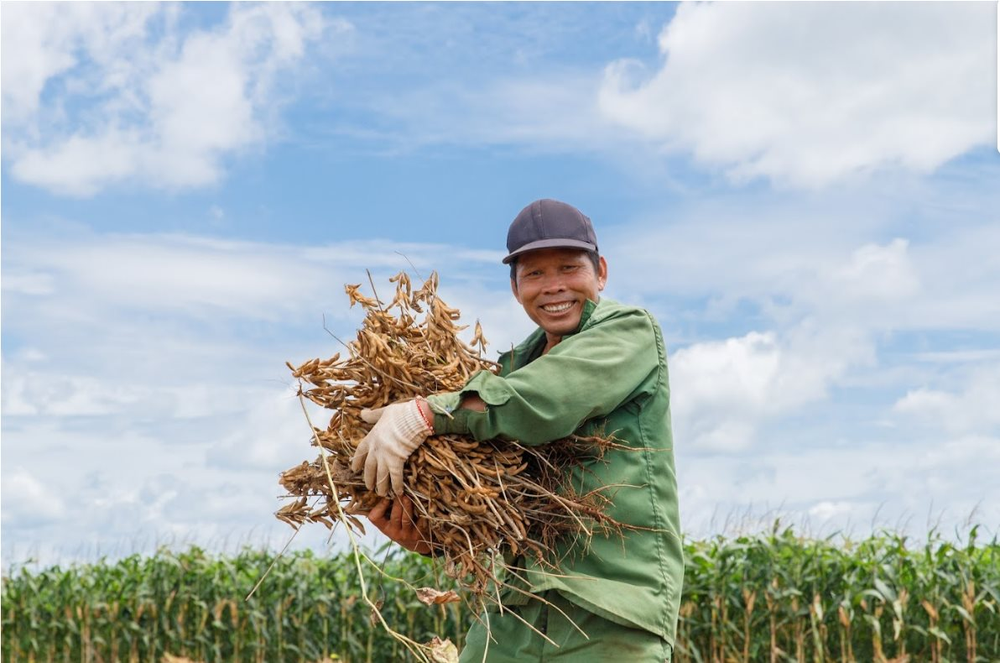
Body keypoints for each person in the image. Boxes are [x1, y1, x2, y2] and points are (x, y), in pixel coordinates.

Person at [351, 199, 683, 662]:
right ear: (515, 288)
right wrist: (439, 539)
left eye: (569, 267)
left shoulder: (628, 332)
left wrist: (426, 414)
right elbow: (503, 506)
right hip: (511, 619)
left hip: (608, 619)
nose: (554, 287)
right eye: (534, 275)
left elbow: (543, 401)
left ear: (600, 272)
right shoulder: (508, 371)